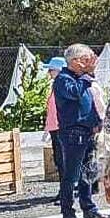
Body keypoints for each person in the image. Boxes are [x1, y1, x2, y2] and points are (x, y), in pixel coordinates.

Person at [52, 43, 110, 218]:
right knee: (71, 175)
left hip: (87, 132)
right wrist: (87, 75)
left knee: (88, 171)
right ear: (76, 61)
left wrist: (96, 122)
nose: (90, 63)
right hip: (72, 133)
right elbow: (75, 94)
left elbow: (89, 103)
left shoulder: (82, 78)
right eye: (86, 59)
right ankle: (68, 213)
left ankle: (89, 208)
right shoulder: (63, 79)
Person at [43, 55, 67, 183]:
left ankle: (65, 191)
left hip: (60, 127)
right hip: (54, 127)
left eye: (51, 70)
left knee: (62, 159)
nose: (49, 72)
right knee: (59, 159)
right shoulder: (55, 86)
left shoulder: (62, 87)